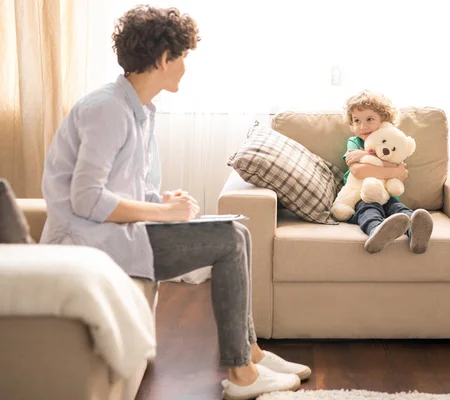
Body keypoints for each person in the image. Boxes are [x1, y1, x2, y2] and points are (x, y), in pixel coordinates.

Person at [40, 5, 309, 399]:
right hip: (89, 243)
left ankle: (250, 352)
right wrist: (164, 212)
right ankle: (241, 375)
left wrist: (158, 200)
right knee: (228, 242)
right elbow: (86, 199)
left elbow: (120, 189)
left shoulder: (138, 110)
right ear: (165, 59)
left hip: (116, 233)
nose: (185, 66)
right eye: (183, 57)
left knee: (237, 232)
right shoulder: (108, 110)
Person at [342, 91, 434, 254]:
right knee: (368, 209)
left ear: (383, 120)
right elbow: (358, 171)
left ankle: (416, 233)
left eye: (369, 119)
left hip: (387, 196)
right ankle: (376, 231)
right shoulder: (354, 142)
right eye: (357, 121)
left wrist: (366, 158)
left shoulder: (393, 141)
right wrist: (393, 170)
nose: (362, 126)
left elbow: (402, 175)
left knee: (398, 208)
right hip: (360, 196)